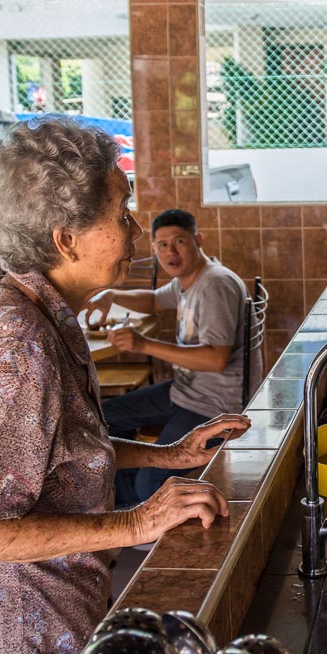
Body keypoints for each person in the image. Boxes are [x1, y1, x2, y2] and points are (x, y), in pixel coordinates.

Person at [0, 117, 251, 654]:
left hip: (47, 609)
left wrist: (168, 455)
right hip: (14, 627)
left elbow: (55, 449)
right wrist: (138, 520)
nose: (136, 230)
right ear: (66, 240)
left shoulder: (26, 308)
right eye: (121, 214)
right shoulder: (16, 348)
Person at [84, 208, 248, 506]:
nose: (170, 251)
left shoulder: (214, 285)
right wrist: (110, 295)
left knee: (151, 483)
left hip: (213, 404)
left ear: (198, 240)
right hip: (184, 391)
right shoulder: (188, 280)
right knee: (106, 418)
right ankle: (126, 499)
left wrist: (143, 344)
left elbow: (216, 359)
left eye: (179, 241)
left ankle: (147, 504)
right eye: (161, 244)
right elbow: (153, 300)